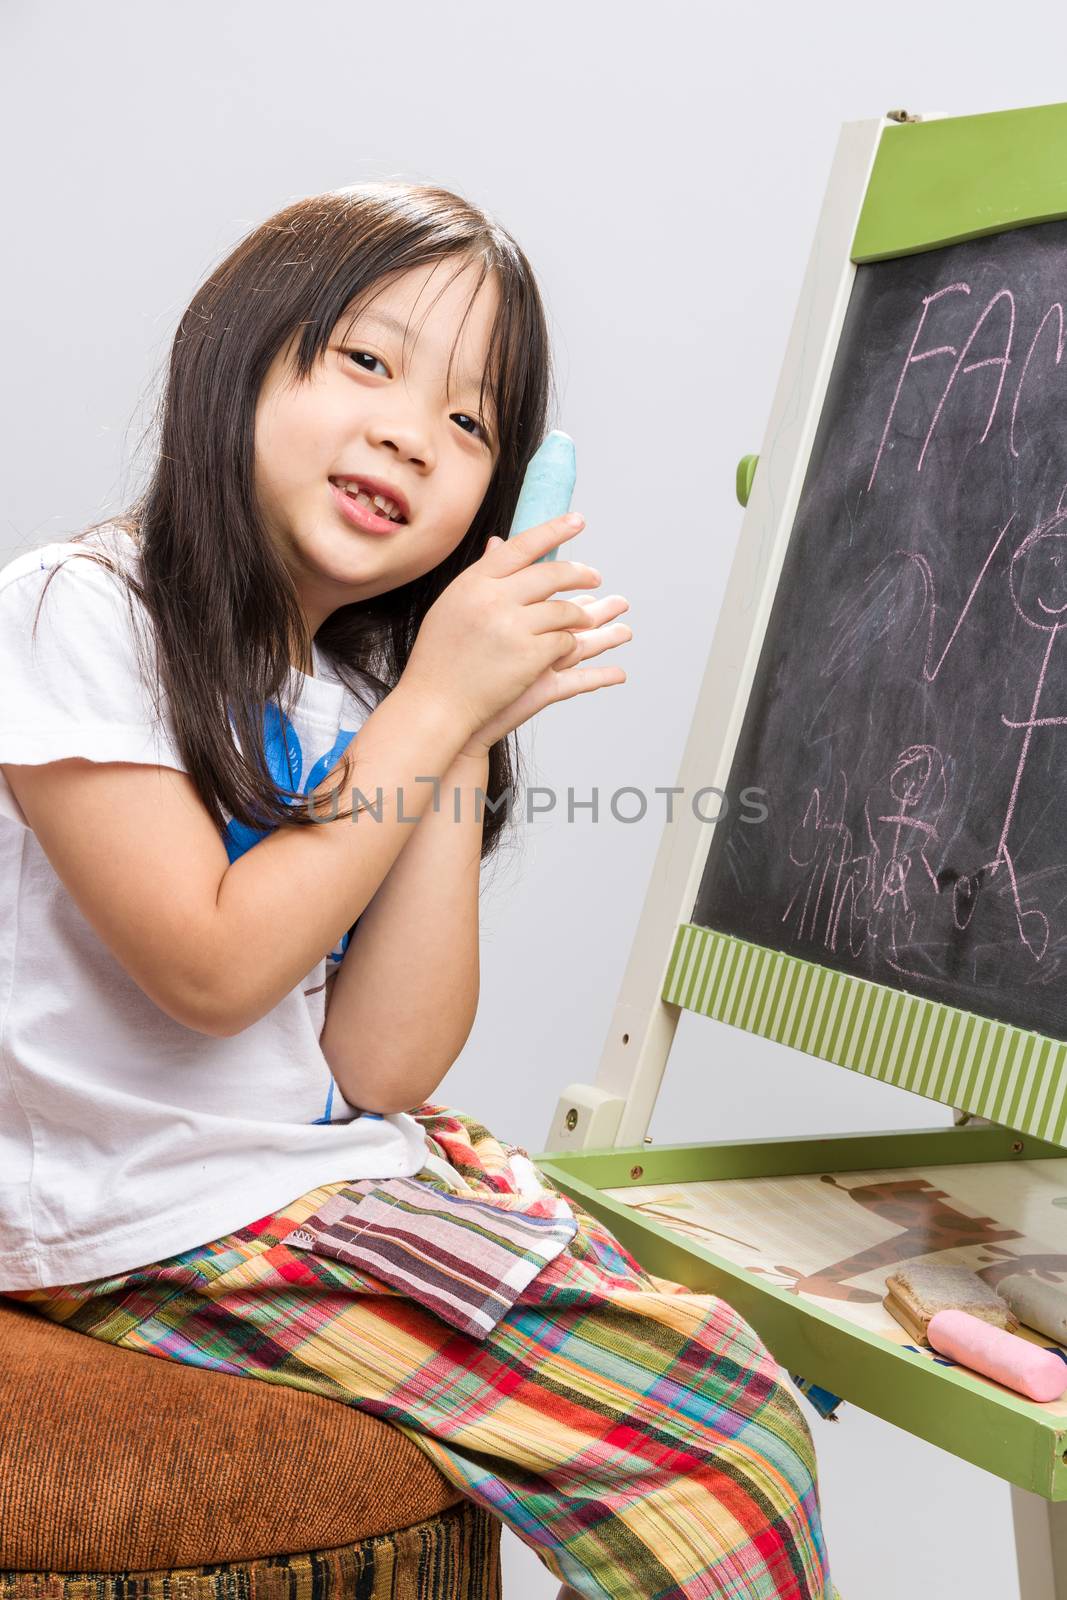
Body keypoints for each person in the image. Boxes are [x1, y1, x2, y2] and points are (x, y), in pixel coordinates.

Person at [0, 181, 836, 1599]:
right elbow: (212, 970)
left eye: (470, 423)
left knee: (710, 1362)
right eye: (369, 363)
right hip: (144, 1217)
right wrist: (432, 705)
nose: (411, 430)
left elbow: (383, 1061)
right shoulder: (79, 608)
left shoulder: (354, 701)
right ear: (234, 358)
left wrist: (460, 724)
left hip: (289, 1183)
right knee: (722, 1435)